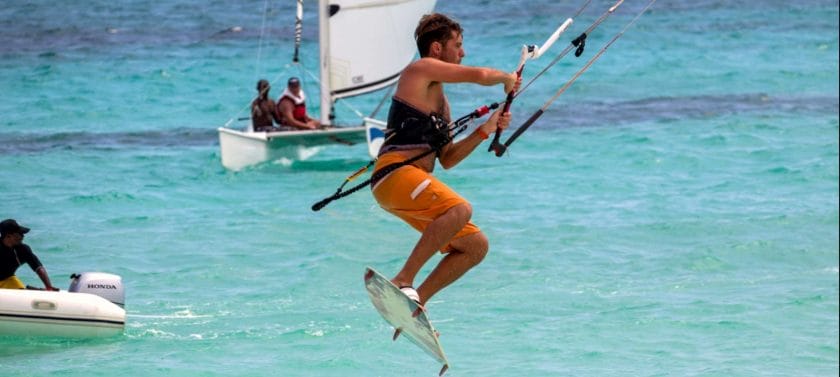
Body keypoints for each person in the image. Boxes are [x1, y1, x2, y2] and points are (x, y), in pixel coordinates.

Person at [370, 13, 519, 307]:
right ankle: (403, 279)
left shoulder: (441, 104)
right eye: (458, 45)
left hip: (409, 184)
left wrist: (484, 130)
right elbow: (478, 76)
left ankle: (415, 305)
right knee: (460, 209)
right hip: (394, 173)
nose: (462, 53)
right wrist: (506, 78)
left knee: (476, 246)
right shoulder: (419, 70)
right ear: (437, 48)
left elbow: (448, 159)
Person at [0, 219, 59, 291]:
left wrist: (49, 287)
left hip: (7, 279)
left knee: (22, 296)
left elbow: (38, 268)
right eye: (20, 233)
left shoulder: (23, 250)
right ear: (8, 236)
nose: (23, 236)